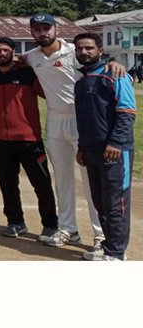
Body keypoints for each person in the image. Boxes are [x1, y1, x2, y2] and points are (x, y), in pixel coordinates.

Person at [21, 13, 125, 251]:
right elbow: (15, 58)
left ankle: (100, 234)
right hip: (55, 120)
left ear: (56, 29)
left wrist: (113, 62)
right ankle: (69, 229)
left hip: (82, 119)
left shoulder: (73, 51)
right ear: (32, 33)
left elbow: (97, 64)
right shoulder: (33, 56)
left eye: (47, 28)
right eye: (38, 29)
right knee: (62, 178)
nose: (43, 33)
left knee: (91, 180)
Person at [0, 37, 58, 239]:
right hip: (0, 139)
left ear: (13, 52)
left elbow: (49, 93)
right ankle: (16, 222)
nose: (1, 54)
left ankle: (51, 224)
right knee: (7, 184)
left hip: (29, 138)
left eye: (5, 50)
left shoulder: (28, 73)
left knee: (41, 184)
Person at [74, 32, 136, 261]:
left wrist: (116, 143)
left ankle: (117, 254)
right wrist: (82, 147)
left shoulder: (115, 75)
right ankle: (108, 247)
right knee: (100, 202)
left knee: (115, 203)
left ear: (100, 51)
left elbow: (127, 112)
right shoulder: (81, 82)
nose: (84, 52)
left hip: (115, 151)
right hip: (91, 151)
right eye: (79, 48)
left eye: (89, 48)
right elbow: (84, 119)